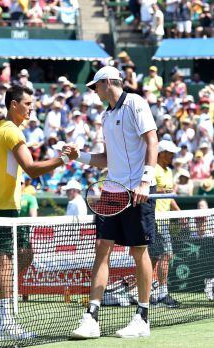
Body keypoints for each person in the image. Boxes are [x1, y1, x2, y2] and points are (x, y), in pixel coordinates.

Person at [0, 84, 73, 340]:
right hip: (3, 205)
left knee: (26, 254)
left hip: (9, 203)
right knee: (5, 262)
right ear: (13, 104)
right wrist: (62, 159)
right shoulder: (10, 132)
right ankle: (5, 324)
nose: (31, 108)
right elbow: (31, 168)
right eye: (27, 104)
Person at [69, 66, 158, 339]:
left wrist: (146, 180)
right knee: (101, 248)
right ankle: (91, 316)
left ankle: (142, 317)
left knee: (138, 251)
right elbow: (106, 159)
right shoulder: (106, 116)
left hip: (135, 189)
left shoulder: (135, 103)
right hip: (111, 190)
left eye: (95, 86)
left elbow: (151, 140)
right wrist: (79, 156)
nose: (94, 92)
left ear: (108, 82)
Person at [149, 140, 181, 308]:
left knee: (155, 258)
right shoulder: (153, 169)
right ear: (161, 153)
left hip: (164, 220)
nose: (172, 156)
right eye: (170, 153)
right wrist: (162, 191)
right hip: (155, 220)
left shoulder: (168, 171)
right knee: (164, 256)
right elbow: (147, 190)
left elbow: (169, 197)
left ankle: (150, 293)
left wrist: (179, 212)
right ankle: (161, 293)